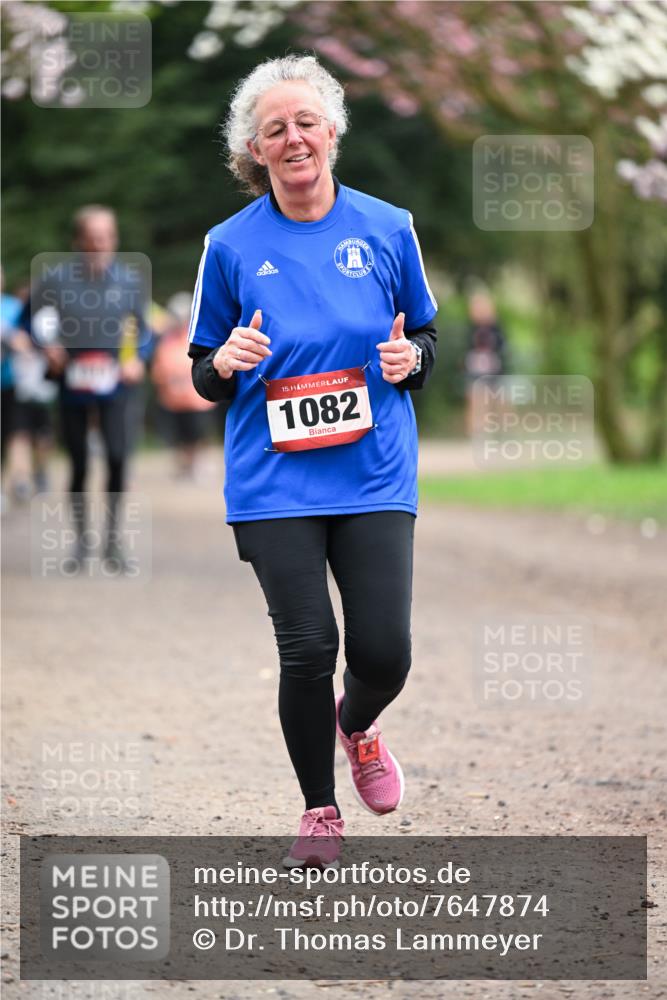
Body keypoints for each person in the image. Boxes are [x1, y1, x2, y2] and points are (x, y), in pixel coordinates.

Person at [188, 55, 438, 868]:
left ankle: (357, 723)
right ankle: (318, 811)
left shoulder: (388, 226)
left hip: (371, 469)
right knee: (305, 648)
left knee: (382, 655)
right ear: (254, 151)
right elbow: (201, 373)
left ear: (332, 131)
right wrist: (225, 359)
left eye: (305, 122)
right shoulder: (228, 246)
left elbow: (424, 336)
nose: (293, 138)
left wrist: (412, 362)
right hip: (274, 479)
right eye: (274, 129)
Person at [19, 206, 151, 568]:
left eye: (107, 237)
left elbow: (144, 329)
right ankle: (80, 543)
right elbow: (26, 321)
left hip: (117, 383)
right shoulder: (55, 278)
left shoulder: (128, 280)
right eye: (93, 238)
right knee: (78, 463)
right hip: (72, 381)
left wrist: (136, 357)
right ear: (78, 241)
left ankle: (112, 542)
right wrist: (47, 348)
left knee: (118, 459)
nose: (100, 244)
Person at [152, 292, 216, 479]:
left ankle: (198, 464)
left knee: (198, 433)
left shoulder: (198, 334)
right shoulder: (166, 338)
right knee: (179, 435)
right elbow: (160, 366)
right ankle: (185, 466)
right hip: (174, 399)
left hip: (197, 399)